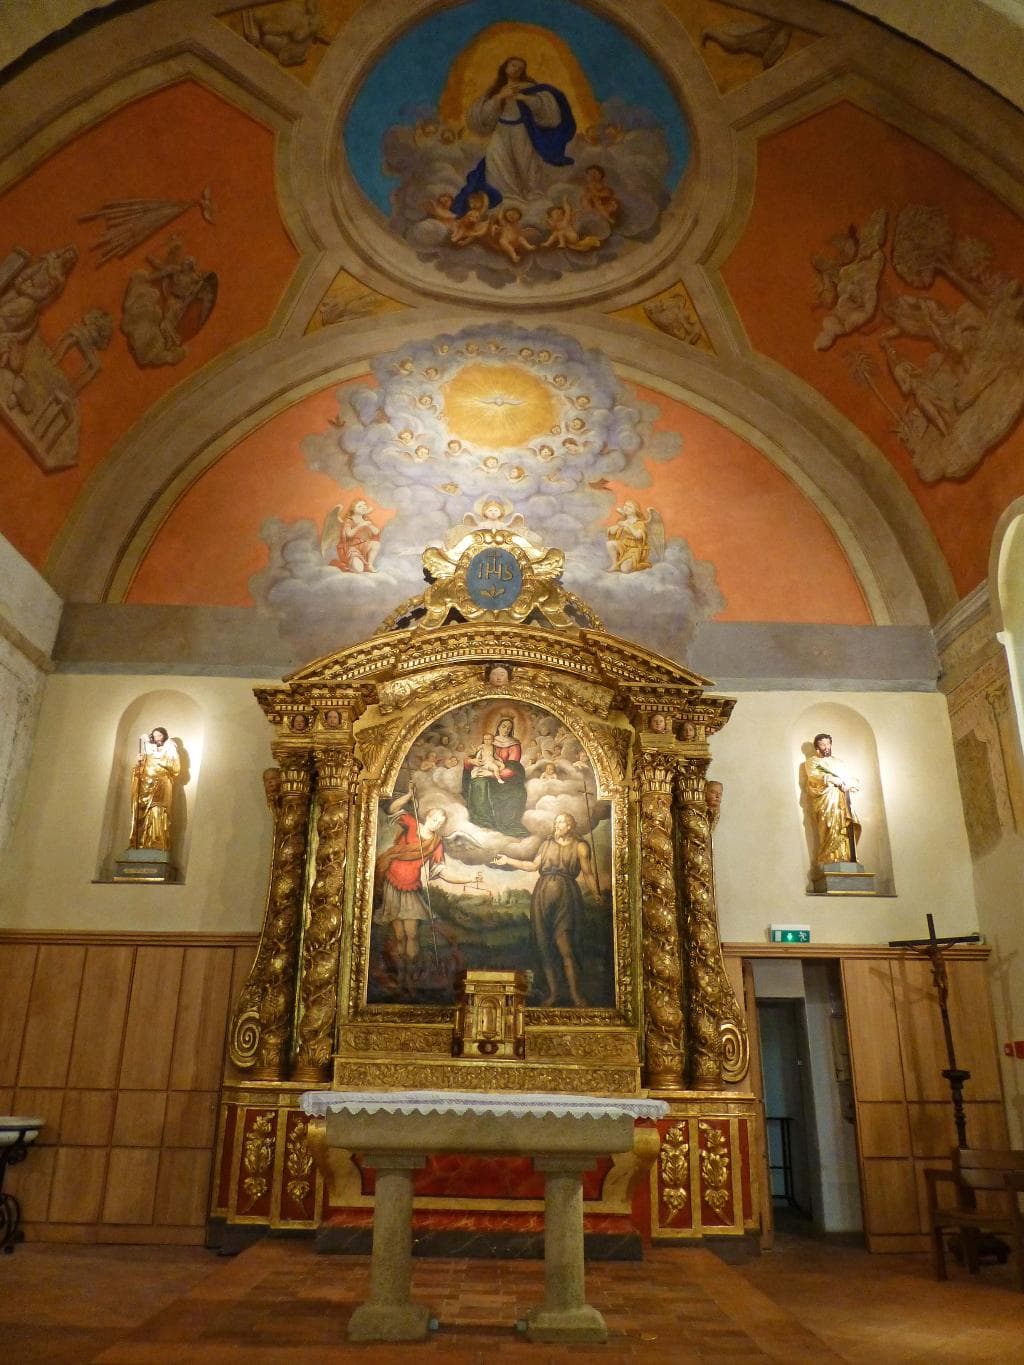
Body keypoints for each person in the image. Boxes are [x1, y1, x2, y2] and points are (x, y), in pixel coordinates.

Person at [493, 811, 597, 1006]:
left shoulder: (580, 847)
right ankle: (553, 993)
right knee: (544, 945)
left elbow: (589, 874)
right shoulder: (546, 844)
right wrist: (508, 860)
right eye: (556, 822)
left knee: (565, 946)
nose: (557, 825)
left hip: (566, 898)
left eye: (562, 822)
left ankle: (575, 995)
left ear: (570, 826)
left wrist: (597, 893)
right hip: (541, 897)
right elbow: (532, 866)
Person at [452, 56, 576, 216]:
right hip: (501, 131)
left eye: (520, 67)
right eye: (513, 65)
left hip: (522, 130)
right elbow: (482, 115)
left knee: (526, 163)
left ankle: (532, 196)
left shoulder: (530, 87)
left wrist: (525, 98)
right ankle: (506, 198)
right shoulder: (496, 90)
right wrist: (499, 98)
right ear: (505, 67)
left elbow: (547, 111)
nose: (516, 69)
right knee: (496, 161)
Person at [373, 793, 469, 994]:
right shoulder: (411, 822)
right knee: (399, 937)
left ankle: (412, 977)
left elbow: (441, 872)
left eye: (440, 822)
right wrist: (407, 795)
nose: (436, 823)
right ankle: (401, 978)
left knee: (412, 934)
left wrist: (468, 880)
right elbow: (391, 810)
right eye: (434, 819)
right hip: (392, 883)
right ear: (427, 816)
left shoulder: (436, 843)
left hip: (411, 888)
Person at [461, 715, 528, 835]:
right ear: (498, 727)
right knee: (478, 782)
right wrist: (472, 761)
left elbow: (512, 768)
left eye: (509, 727)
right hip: (487, 771)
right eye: (504, 726)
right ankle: (482, 821)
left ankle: (503, 823)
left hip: (506, 778)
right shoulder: (490, 741)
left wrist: (491, 774)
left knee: (513, 792)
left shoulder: (514, 745)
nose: (506, 729)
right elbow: (476, 758)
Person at [805, 733, 861, 865]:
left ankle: (846, 857)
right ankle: (828, 858)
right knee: (828, 825)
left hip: (842, 800)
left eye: (828, 744)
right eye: (823, 744)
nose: (826, 747)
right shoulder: (813, 761)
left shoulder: (838, 763)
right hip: (826, 800)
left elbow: (852, 779)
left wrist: (850, 784)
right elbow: (813, 776)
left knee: (845, 826)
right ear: (817, 747)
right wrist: (830, 778)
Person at [128, 727, 180, 852]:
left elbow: (176, 769)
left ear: (164, 736)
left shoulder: (170, 750)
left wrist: (161, 762)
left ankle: (157, 843)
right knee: (144, 814)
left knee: (158, 811)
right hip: (146, 787)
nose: (157, 738)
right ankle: (143, 843)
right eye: (155, 736)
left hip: (161, 785)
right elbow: (138, 772)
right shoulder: (147, 752)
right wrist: (139, 762)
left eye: (159, 736)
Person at [606, 500, 653, 573]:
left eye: (629, 507)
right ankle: (615, 564)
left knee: (625, 569)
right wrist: (619, 525)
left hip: (635, 549)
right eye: (625, 505)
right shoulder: (623, 520)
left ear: (635, 510)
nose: (626, 508)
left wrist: (628, 525)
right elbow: (612, 532)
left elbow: (638, 536)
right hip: (624, 545)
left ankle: (644, 565)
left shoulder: (640, 523)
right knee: (610, 543)